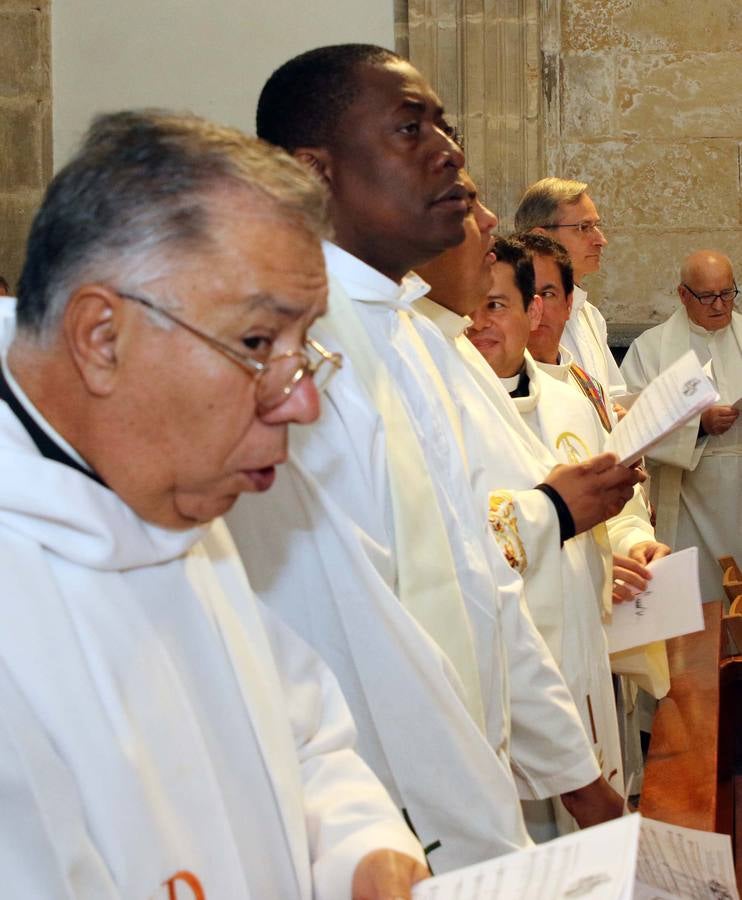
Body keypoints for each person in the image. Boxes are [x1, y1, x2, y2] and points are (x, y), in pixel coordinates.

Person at [0, 109, 428, 899]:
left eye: (305, 349)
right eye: (259, 344)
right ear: (101, 336)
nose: (302, 406)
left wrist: (364, 854)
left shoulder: (166, 489)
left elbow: (298, 731)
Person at [229, 43, 634, 873]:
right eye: (409, 128)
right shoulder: (296, 354)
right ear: (316, 171)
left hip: (467, 810)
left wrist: (575, 774)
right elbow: (354, 647)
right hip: (383, 829)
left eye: (445, 125)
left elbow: (479, 578)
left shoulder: (410, 335)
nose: (449, 150)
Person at [465, 236, 665, 834]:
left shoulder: (569, 398)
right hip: (509, 677)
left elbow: (612, 508)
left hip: (585, 649)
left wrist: (628, 543)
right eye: (470, 307)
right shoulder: (448, 412)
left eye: (496, 306)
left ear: (534, 313)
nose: (478, 323)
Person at [621, 250, 742, 602]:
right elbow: (631, 424)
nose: (720, 305)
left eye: (728, 293)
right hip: (688, 496)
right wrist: (699, 425)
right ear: (683, 294)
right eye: (707, 297)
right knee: (701, 597)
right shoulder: (651, 348)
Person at [513, 177, 625, 405]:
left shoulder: (590, 315)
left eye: (596, 226)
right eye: (584, 228)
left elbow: (610, 394)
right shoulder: (517, 314)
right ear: (541, 238)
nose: (600, 240)